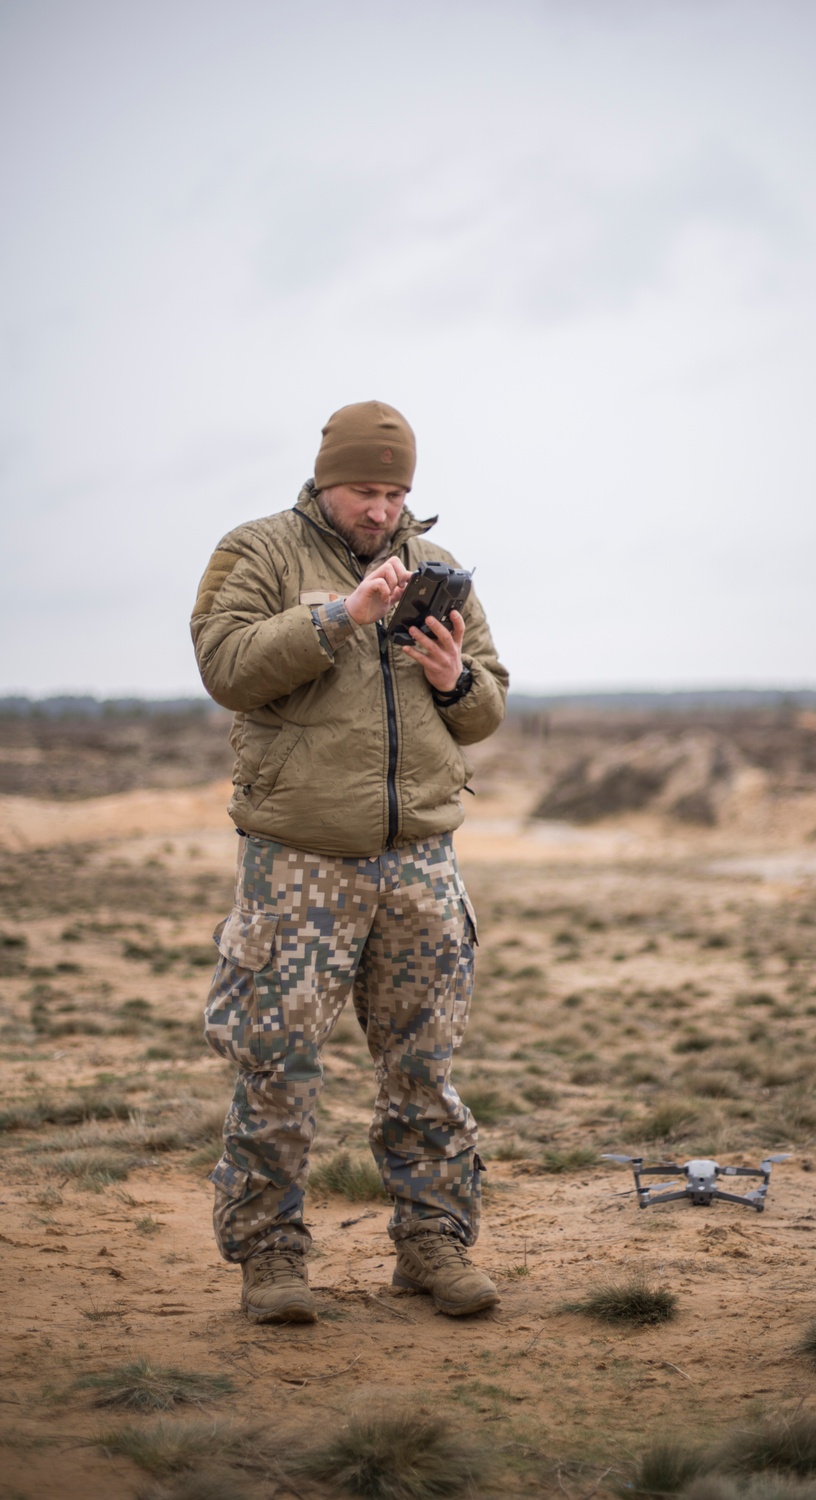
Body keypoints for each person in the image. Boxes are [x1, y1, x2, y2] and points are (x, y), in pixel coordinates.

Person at [190, 400, 508, 1325]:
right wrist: (336, 619)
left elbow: (486, 706)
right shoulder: (259, 551)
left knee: (424, 1067)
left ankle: (433, 1245)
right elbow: (226, 666)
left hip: (420, 863)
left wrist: (457, 681)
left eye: (396, 491)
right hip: (299, 862)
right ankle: (272, 1259)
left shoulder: (441, 571)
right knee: (277, 1064)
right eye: (367, 490)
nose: (381, 509)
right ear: (327, 480)